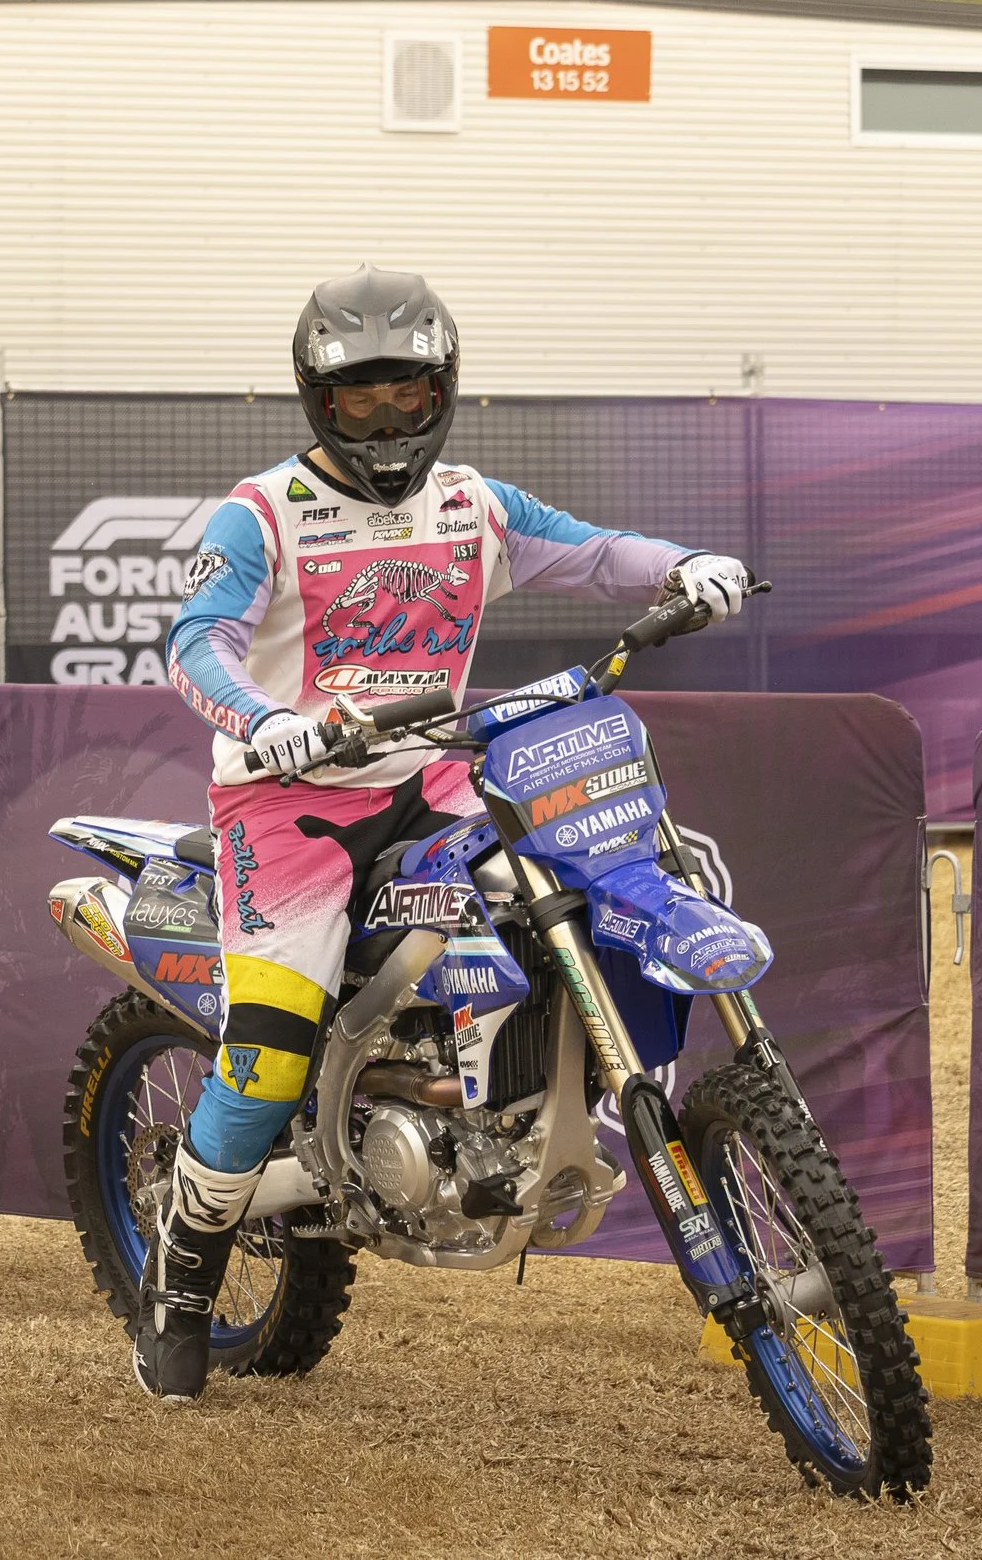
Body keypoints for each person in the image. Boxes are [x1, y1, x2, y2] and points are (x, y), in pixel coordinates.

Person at [138, 265, 753, 1399]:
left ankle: (497, 1096)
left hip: (434, 771)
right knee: (267, 1056)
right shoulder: (260, 510)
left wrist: (684, 567)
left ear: (444, 390)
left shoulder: (473, 503)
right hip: (291, 802)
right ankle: (182, 1267)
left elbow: (595, 549)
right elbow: (197, 639)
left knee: (573, 864)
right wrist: (266, 719)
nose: (383, 416)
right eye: (358, 395)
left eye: (406, 393)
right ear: (316, 398)